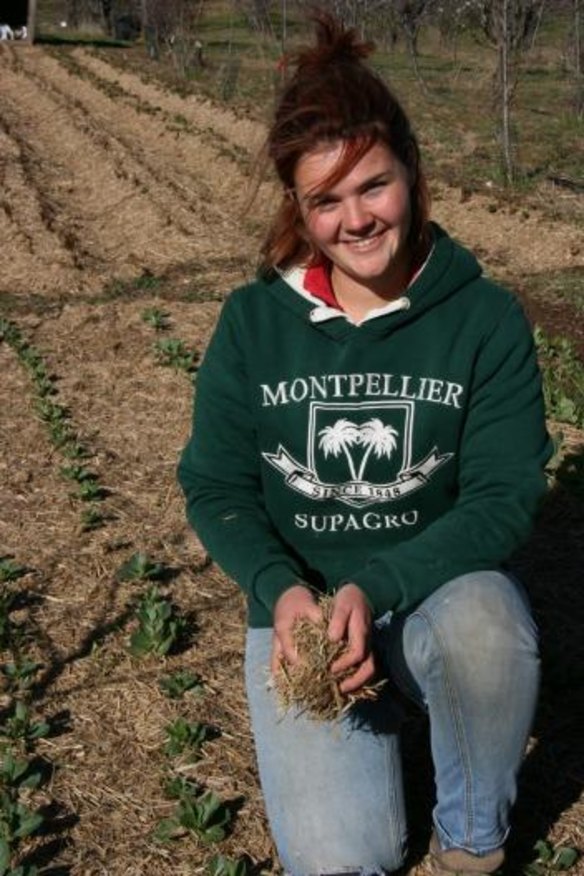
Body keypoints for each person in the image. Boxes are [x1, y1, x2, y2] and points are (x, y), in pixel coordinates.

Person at [178, 14, 552, 876]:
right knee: (343, 861)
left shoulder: (483, 318)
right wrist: (283, 594)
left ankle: (471, 841)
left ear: (413, 177)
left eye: (373, 186)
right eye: (326, 201)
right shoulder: (251, 323)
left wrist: (378, 584)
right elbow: (217, 485)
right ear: (299, 212)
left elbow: (503, 495)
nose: (356, 220)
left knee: (489, 634)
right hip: (305, 614)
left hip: (433, 594)